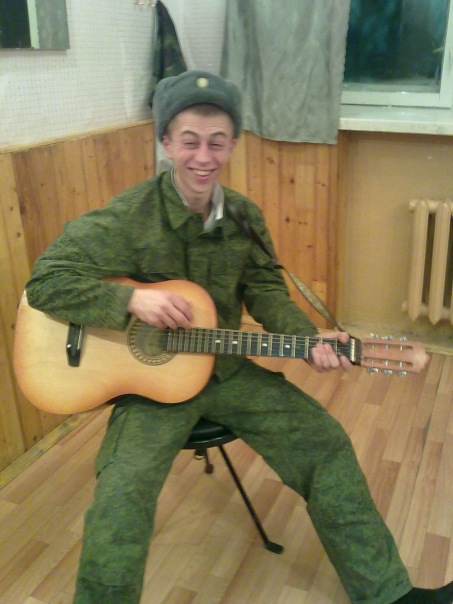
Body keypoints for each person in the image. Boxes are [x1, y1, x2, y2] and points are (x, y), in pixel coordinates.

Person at [25, 70, 452, 604]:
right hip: (151, 391)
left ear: (232, 145)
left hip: (227, 370)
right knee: (120, 493)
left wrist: (308, 339)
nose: (203, 157)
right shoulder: (129, 217)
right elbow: (46, 282)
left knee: (324, 444)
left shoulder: (244, 217)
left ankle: (389, 594)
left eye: (217, 142)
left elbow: (266, 291)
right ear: (166, 142)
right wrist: (130, 300)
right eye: (189, 141)